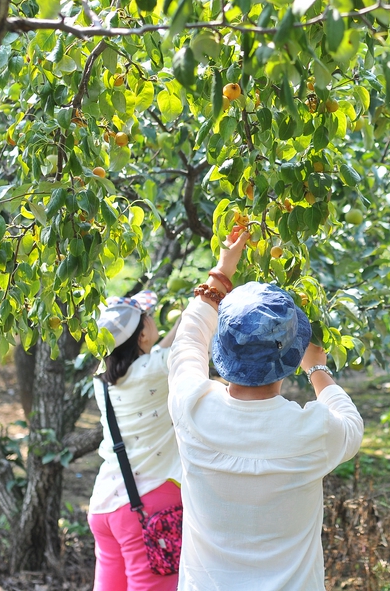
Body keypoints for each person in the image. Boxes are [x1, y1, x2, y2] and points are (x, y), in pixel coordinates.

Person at [166, 226, 364, 590]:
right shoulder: (313, 431)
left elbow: (187, 341)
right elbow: (351, 425)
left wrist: (221, 273)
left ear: (222, 353)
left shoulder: (192, 409)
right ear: (290, 359)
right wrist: (317, 368)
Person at [88, 290, 184, 591]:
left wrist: (180, 321)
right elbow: (181, 349)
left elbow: (154, 360)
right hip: (146, 505)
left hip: (104, 504)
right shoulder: (155, 371)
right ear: (142, 334)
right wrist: (205, 300)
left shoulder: (102, 378)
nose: (154, 321)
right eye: (148, 317)